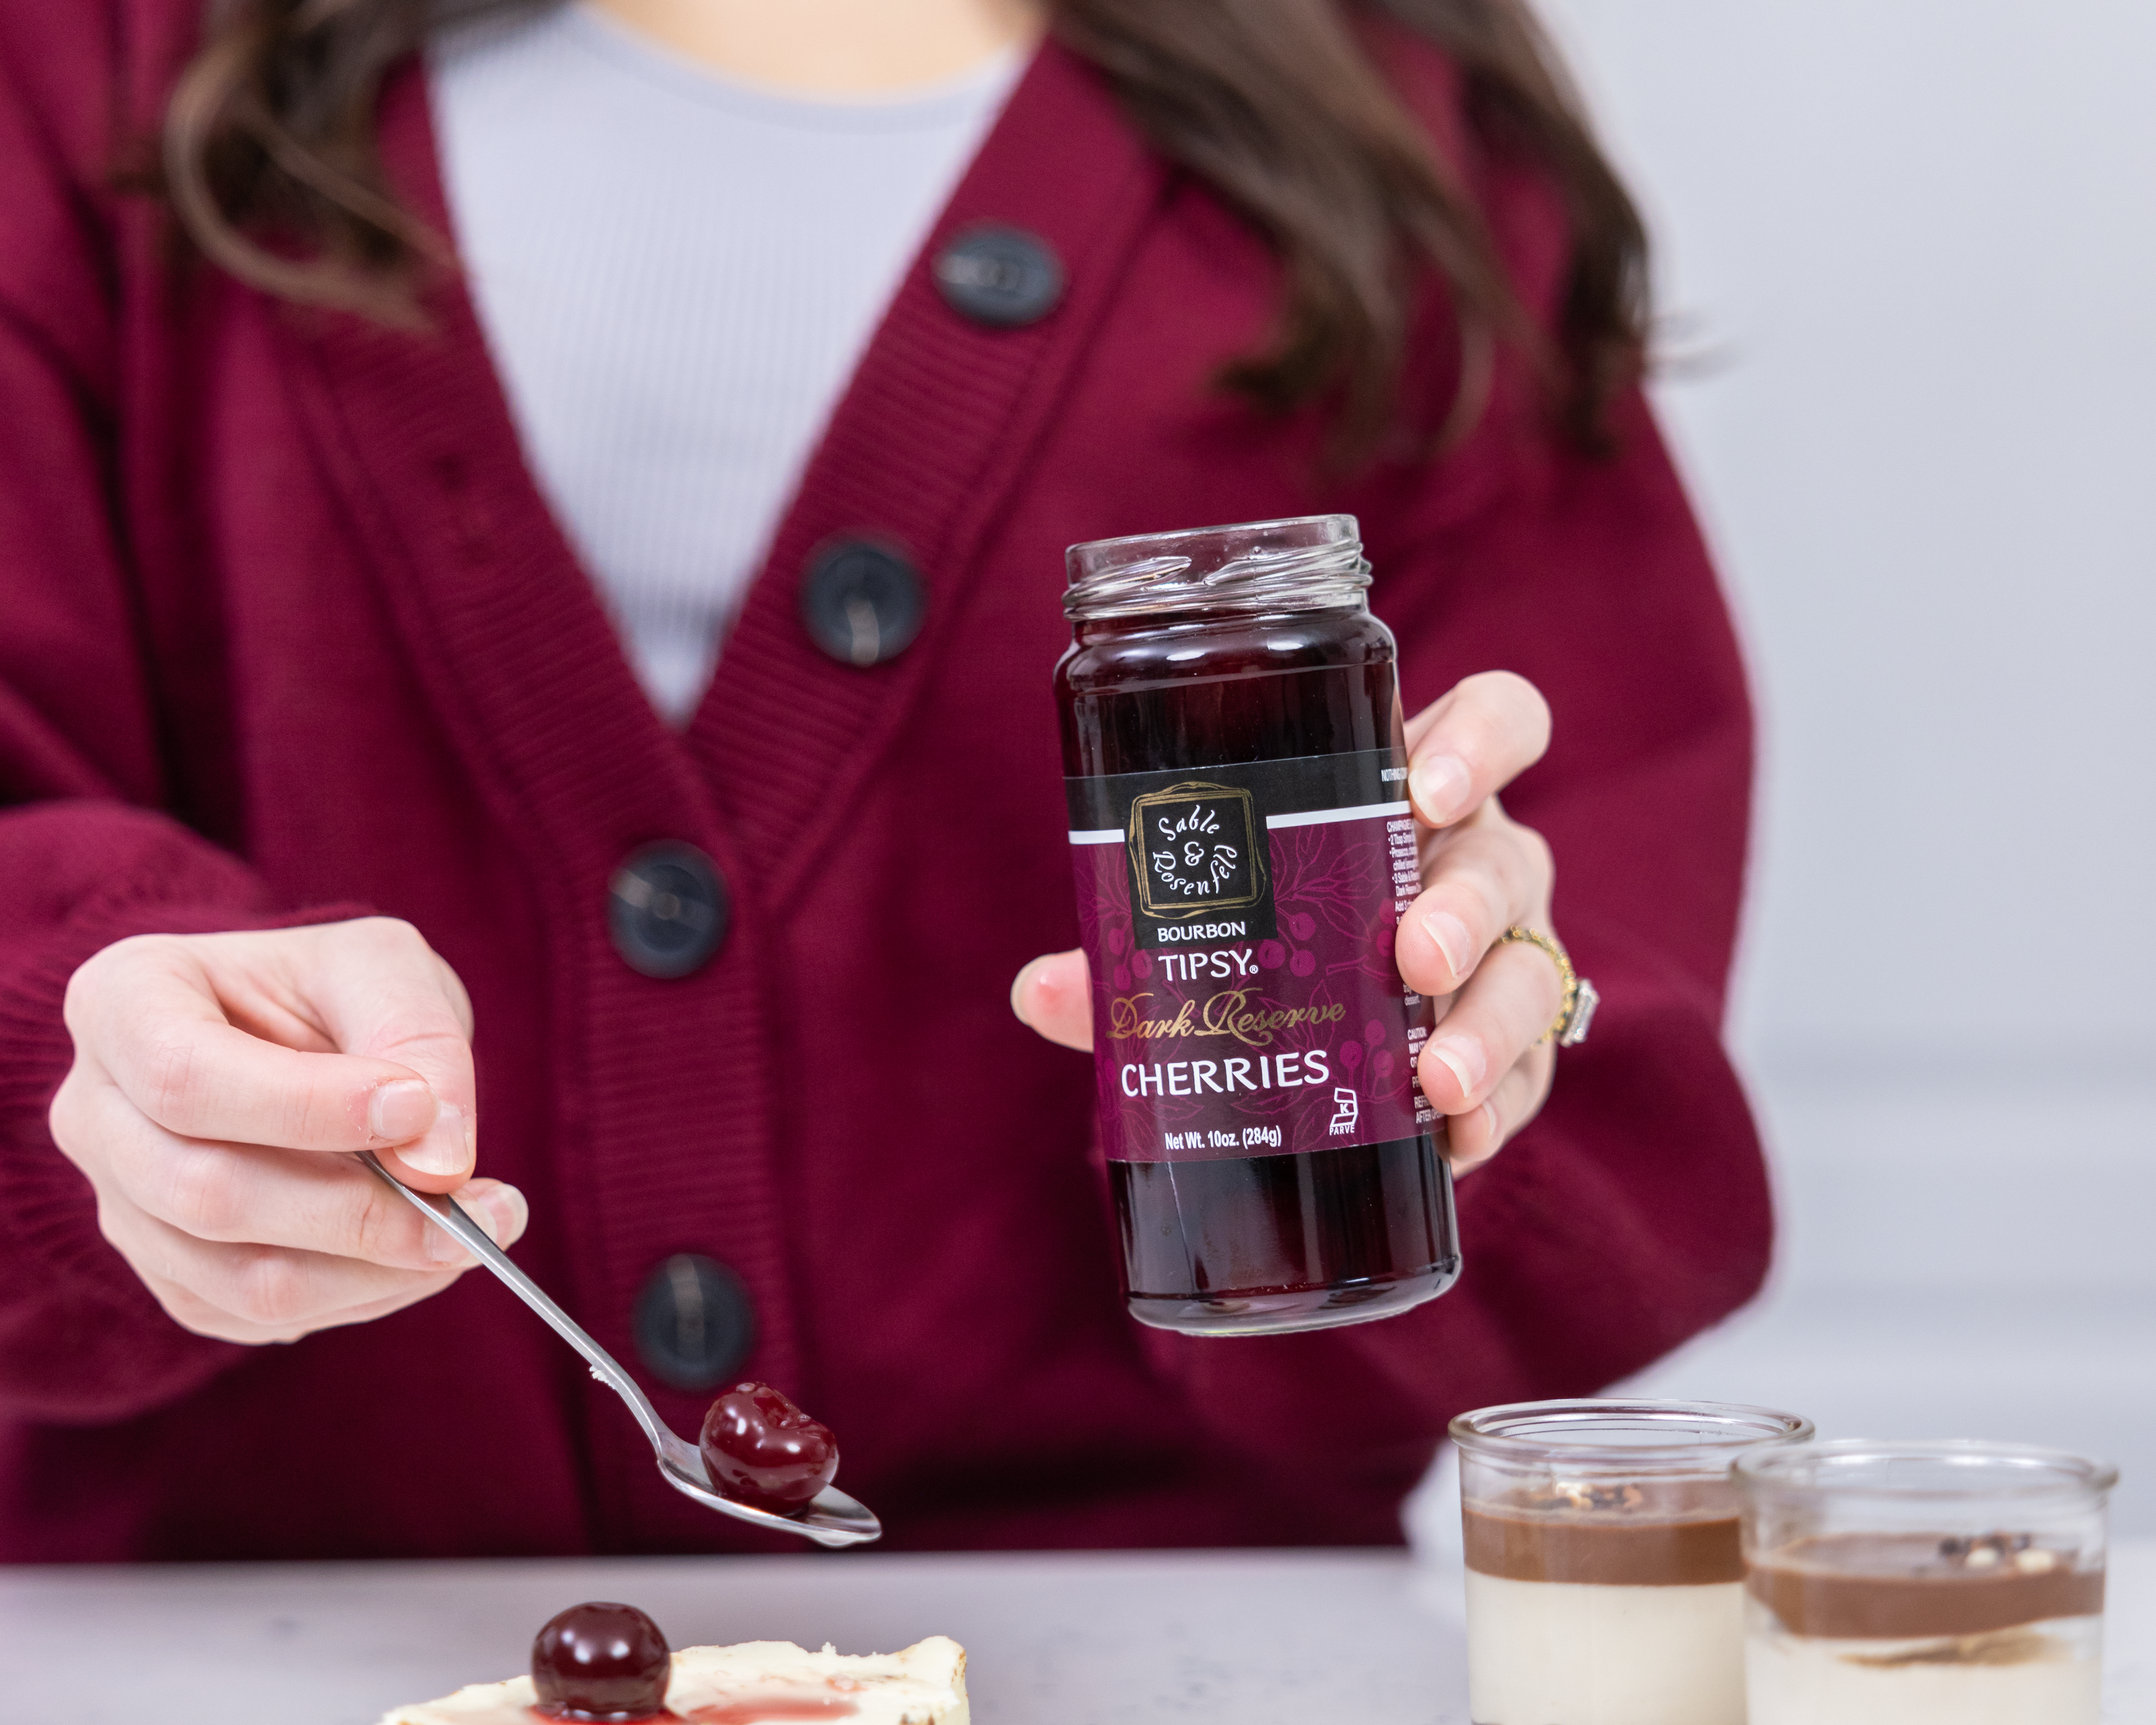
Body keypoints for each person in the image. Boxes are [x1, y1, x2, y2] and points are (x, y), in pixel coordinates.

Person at [0, 0, 1771, 1561]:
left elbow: (1589, 885)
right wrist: (91, 1070)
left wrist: (1478, 1039)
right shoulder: (94, 59)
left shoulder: (1391, 103)